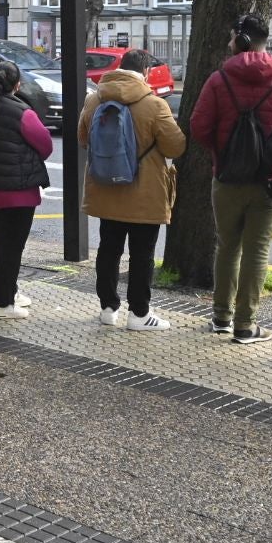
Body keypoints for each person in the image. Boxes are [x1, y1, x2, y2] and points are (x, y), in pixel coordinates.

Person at [189, 12, 272, 344]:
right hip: (269, 181)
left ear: (240, 40)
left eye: (231, 37)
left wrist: (220, 152)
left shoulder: (219, 79)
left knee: (227, 246)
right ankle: (246, 325)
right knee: (257, 250)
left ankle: (221, 317)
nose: (228, 43)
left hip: (226, 178)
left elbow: (199, 127)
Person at [78, 48, 186, 332]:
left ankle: (107, 308)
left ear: (120, 68)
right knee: (142, 254)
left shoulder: (94, 99)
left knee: (108, 249)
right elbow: (175, 146)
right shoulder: (154, 105)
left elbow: (82, 138)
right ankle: (139, 314)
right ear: (146, 72)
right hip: (145, 194)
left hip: (105, 189)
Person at [0, 61, 54, 319]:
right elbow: (46, 146)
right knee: (11, 247)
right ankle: (3, 304)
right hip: (17, 193)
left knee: (3, 242)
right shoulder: (23, 113)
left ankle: (8, 291)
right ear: (17, 84)